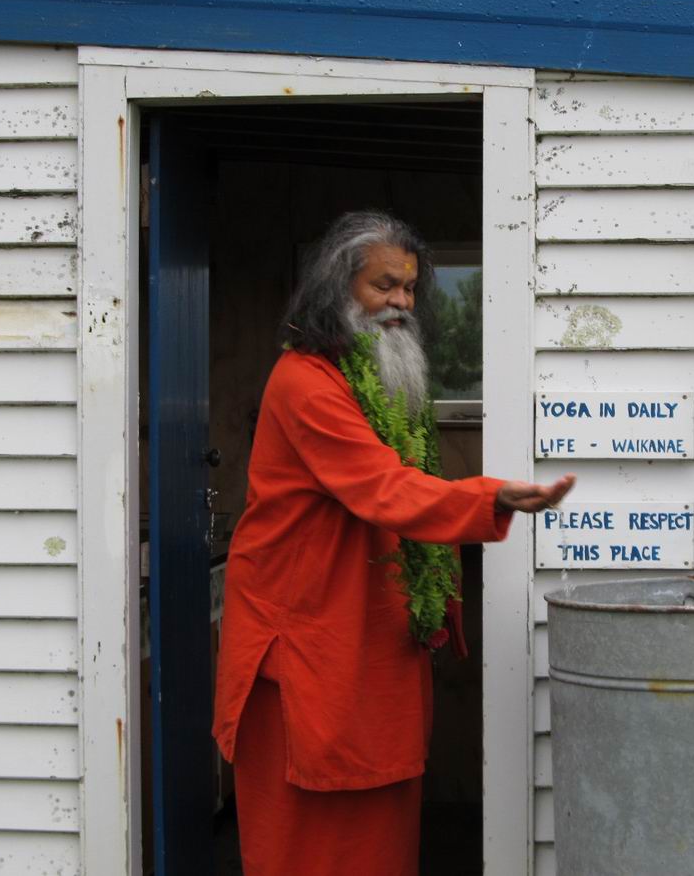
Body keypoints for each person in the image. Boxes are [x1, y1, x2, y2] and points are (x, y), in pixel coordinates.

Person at [212, 211, 574, 876]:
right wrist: (488, 497)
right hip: (307, 644)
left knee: (380, 826)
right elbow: (381, 488)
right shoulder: (304, 382)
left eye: (409, 288)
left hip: (365, 639)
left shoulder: (374, 382)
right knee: (306, 837)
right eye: (384, 286)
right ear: (336, 287)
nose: (401, 303)